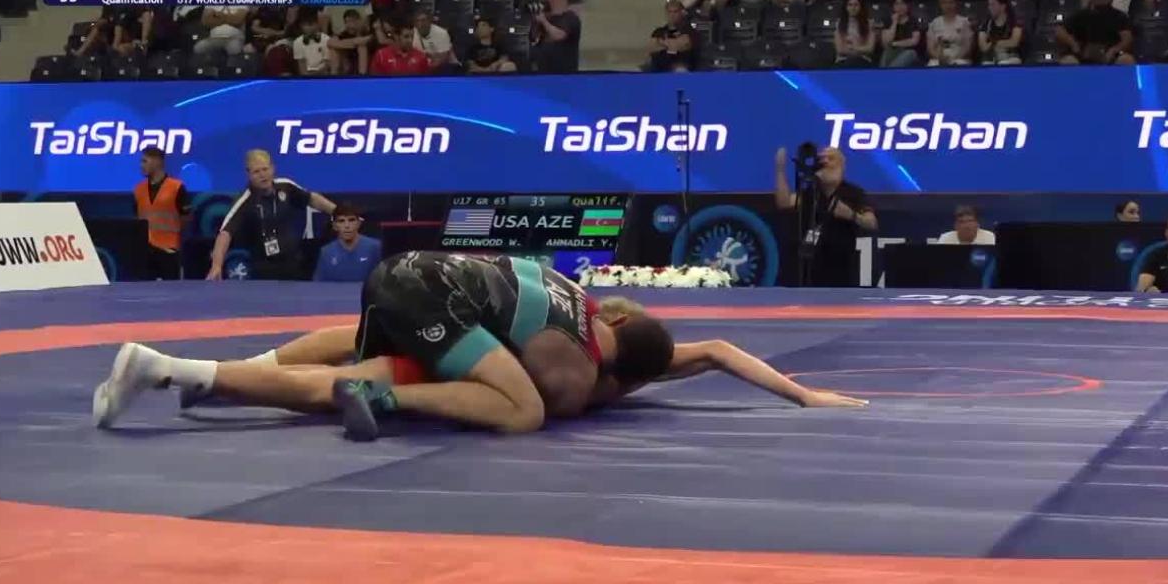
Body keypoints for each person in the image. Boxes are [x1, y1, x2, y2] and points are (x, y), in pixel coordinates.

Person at [92, 253, 868, 438]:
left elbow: (717, 347)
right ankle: (380, 397)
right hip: (437, 297)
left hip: (413, 276)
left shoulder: (582, 300)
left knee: (351, 364)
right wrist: (804, 396)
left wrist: (803, 393)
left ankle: (184, 370)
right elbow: (557, 396)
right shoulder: (579, 361)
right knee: (525, 409)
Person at [208, 149, 337, 281]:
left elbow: (312, 199)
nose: (262, 175)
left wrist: (338, 212)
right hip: (264, 270)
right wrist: (216, 266)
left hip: (293, 264)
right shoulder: (245, 201)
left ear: (272, 168)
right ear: (249, 174)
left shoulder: (286, 186)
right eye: (256, 172)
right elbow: (225, 233)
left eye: (265, 169)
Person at [774, 146, 877, 287]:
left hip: (842, 266)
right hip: (812, 267)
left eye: (831, 159)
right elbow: (784, 202)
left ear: (841, 165)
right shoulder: (812, 191)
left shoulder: (854, 193)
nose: (826, 162)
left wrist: (852, 215)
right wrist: (780, 170)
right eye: (822, 159)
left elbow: (871, 223)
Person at [133, 146, 192, 281]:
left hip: (169, 250)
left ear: (157, 162)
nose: (141, 165)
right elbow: (137, 218)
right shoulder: (138, 189)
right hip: (145, 251)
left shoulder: (176, 187)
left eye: (145, 161)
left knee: (171, 291)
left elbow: (186, 218)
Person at [1057, 0, 1135, 65]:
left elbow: (1127, 38)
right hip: (1083, 52)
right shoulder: (1081, 15)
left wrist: (1114, 50)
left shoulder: (1118, 16)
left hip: (1110, 53)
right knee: (1068, 61)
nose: (1100, 1)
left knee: (1126, 59)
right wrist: (1073, 44)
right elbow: (1060, 31)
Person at [313, 203, 382, 283]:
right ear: (335, 226)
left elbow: (383, 281)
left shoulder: (375, 247)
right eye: (341, 221)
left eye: (351, 220)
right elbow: (318, 285)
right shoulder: (326, 252)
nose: (347, 226)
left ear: (358, 223)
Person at [532, 0, 582, 73]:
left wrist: (544, 21)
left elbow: (559, 35)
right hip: (543, 70)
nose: (550, 0)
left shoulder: (570, 17)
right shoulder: (546, 18)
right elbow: (534, 39)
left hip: (564, 72)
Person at [649, 0, 697, 72]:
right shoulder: (659, 31)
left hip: (681, 68)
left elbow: (683, 45)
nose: (672, 15)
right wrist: (672, 44)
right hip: (659, 68)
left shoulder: (689, 30)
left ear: (681, 13)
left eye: (675, 12)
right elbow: (652, 48)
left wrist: (661, 43)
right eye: (669, 12)